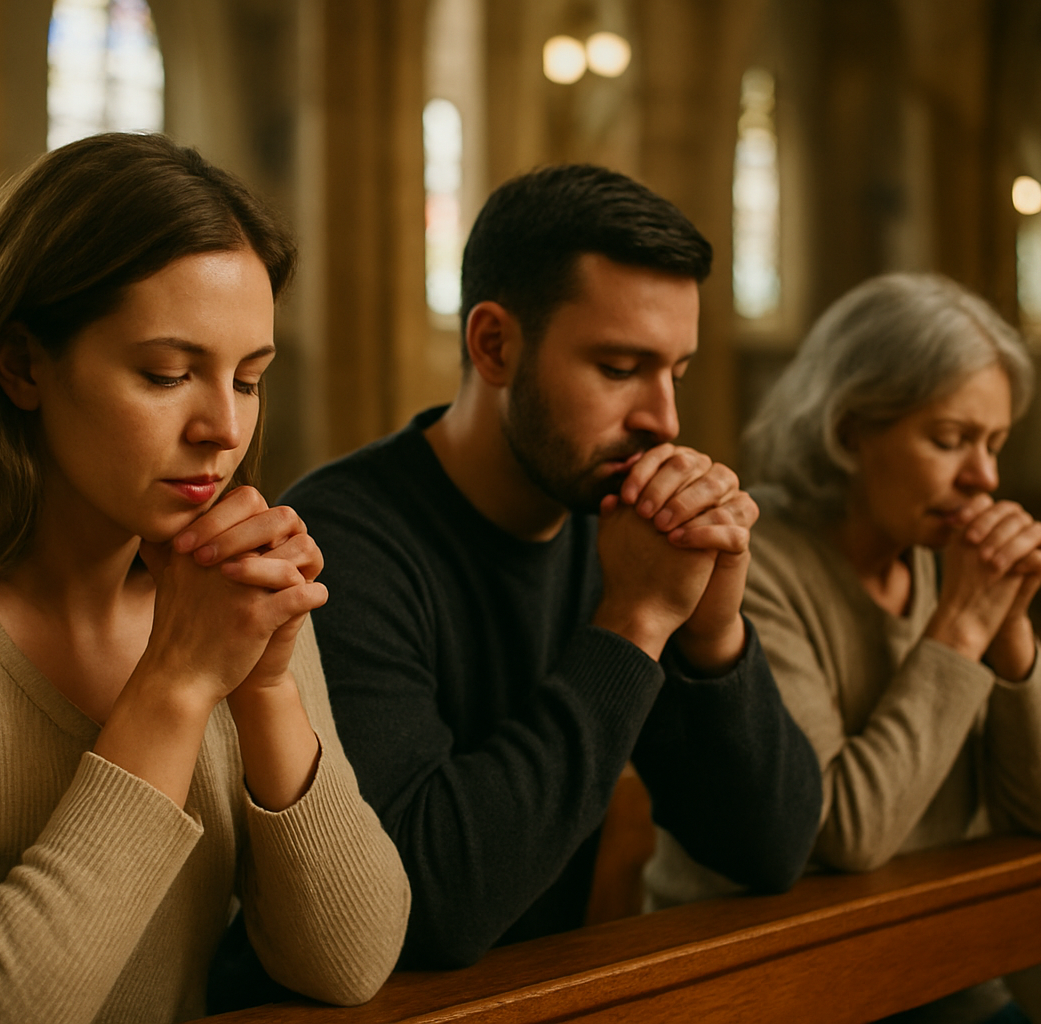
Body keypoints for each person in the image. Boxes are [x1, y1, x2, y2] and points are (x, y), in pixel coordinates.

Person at [0, 133, 408, 1024]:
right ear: (23, 365)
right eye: (168, 373)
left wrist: (263, 685)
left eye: (250, 379)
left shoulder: (223, 592)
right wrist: (177, 682)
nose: (224, 428)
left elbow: (350, 961)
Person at [219, 163, 822, 976]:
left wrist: (714, 633)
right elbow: (425, 910)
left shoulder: (620, 529)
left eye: (675, 372)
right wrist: (636, 625)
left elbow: (768, 847)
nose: (665, 420)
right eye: (618, 369)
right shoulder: (339, 546)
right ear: (494, 344)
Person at [646, 272, 1041, 1024]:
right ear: (850, 431)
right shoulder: (751, 566)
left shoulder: (937, 556)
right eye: (950, 441)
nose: (985, 478)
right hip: (763, 975)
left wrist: (1007, 619)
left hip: (927, 959)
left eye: (995, 443)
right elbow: (844, 831)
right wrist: (960, 629)